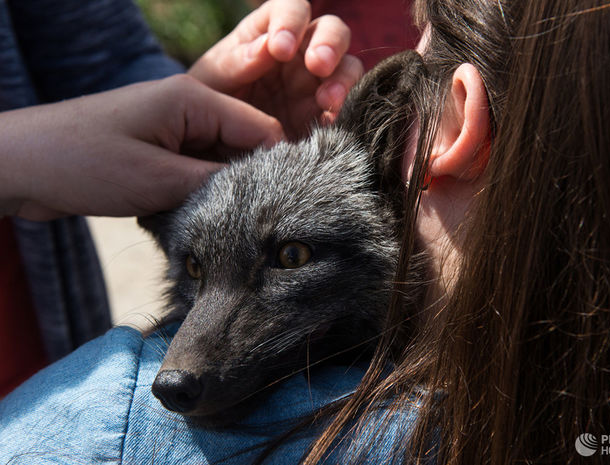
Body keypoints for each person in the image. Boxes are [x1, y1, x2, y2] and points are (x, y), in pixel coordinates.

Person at [1, 0, 610, 463]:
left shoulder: (105, 425)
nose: (176, 366)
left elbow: (95, 60)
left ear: (457, 116)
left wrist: (24, 158)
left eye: (421, 39)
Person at [0, 0, 362, 395]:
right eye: (194, 268)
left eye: (292, 257)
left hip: (37, 352)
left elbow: (107, 60)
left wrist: (209, 106)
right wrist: (22, 157)